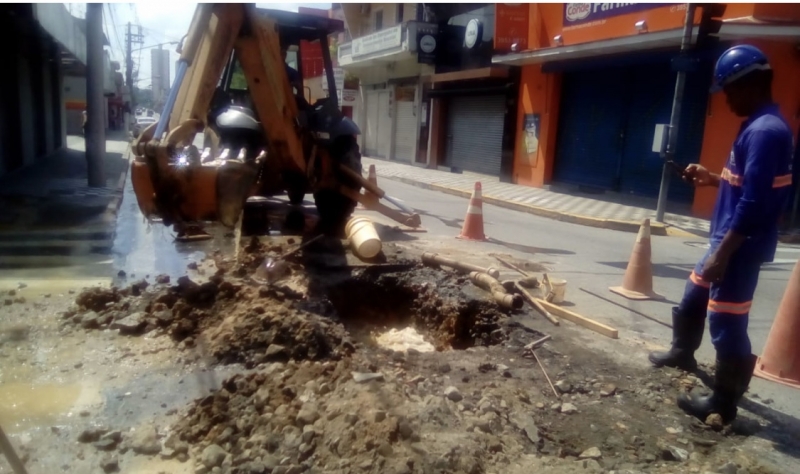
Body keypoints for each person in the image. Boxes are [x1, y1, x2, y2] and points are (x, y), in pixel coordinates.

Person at [648, 45, 795, 423]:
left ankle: (723, 402)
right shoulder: (758, 125)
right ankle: (683, 351)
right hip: (727, 240)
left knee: (727, 322)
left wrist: (723, 254)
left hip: (739, 247)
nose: (726, 100)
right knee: (693, 297)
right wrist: (711, 178)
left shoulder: (765, 132)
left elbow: (755, 204)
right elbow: (746, 186)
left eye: (728, 91)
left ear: (750, 84)